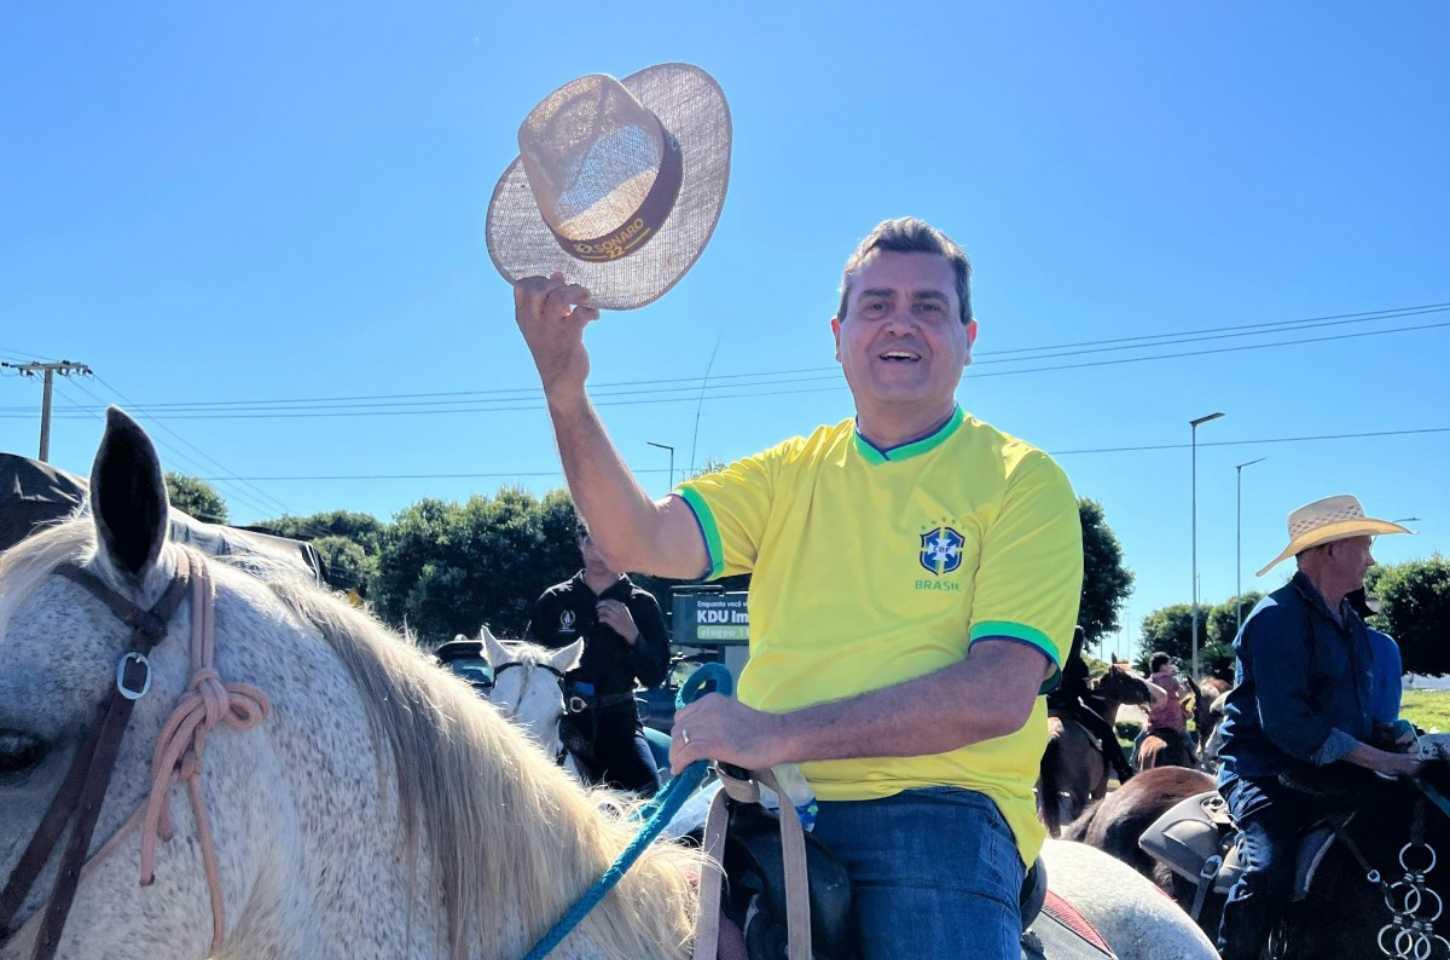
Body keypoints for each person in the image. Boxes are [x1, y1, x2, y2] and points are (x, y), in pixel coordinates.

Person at [514, 216, 1084, 959]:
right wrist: (565, 394)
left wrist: (773, 732)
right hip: (763, 807)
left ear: (968, 338)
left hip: (940, 816)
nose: (899, 323)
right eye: (875, 305)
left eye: (928, 306)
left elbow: (997, 693)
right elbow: (640, 539)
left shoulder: (1021, 480)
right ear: (838, 333)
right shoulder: (789, 472)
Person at [1213, 495, 1417, 960]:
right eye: (1364, 546)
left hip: (1331, 768)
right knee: (1268, 867)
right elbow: (1289, 726)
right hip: (1263, 770)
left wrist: (1393, 736)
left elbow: (1357, 716)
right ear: (1330, 550)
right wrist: (1382, 760)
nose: (1371, 559)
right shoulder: (1274, 618)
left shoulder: (1352, 625)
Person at [525, 521, 670, 796]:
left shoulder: (642, 603)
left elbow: (655, 675)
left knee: (649, 796)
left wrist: (633, 635)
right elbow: (529, 669)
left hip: (620, 724)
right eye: (590, 541)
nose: (597, 552)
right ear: (580, 544)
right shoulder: (554, 600)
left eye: (606, 542)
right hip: (562, 723)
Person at [1046, 626, 1135, 782]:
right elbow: (1084, 695)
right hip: (1071, 708)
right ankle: (1123, 771)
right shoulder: (1079, 665)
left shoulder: (1054, 659)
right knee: (1106, 730)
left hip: (1047, 708)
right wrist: (1097, 699)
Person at [1141, 652, 1197, 765]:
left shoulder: (1148, 683)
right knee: (1189, 743)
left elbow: (1143, 704)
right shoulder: (1171, 680)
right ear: (1162, 666)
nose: (1170, 666)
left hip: (1154, 725)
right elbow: (1182, 694)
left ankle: (1134, 763)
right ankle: (1195, 761)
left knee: (1139, 741)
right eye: (1169, 664)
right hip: (1174, 725)